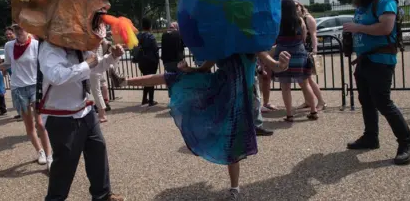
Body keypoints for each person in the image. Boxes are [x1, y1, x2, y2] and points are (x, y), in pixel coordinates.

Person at [9, 0, 128, 201]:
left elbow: (92, 71)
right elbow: (58, 76)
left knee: (98, 153)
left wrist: (110, 58)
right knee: (64, 168)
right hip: (62, 119)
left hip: (85, 111)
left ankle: (103, 195)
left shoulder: (78, 46)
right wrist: (90, 63)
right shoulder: (49, 48)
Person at [110, 51, 290, 200]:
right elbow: (204, 69)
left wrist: (283, 64)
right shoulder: (220, 44)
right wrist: (188, 69)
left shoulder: (251, 46)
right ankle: (124, 81)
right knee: (172, 77)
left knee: (232, 145)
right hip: (218, 90)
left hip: (239, 103)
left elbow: (274, 65)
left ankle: (234, 187)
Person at [343, 0, 410, 165]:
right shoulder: (362, 6)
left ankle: (407, 143)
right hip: (365, 60)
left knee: (383, 102)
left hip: (380, 61)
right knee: (366, 100)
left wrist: (357, 28)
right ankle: (371, 137)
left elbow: (386, 27)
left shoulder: (385, 1)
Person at [0, 24, 52, 170]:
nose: (18, 32)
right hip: (18, 88)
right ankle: (40, 151)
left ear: (28, 29)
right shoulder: (9, 46)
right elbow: (8, 64)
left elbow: (44, 64)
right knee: (29, 125)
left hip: (35, 86)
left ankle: (49, 157)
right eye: (16, 29)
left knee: (40, 123)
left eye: (21, 28)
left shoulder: (36, 44)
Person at [273, 0, 318, 122]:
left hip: (282, 54)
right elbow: (303, 38)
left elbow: (274, 38)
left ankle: (289, 115)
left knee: (285, 87)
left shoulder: (277, 21)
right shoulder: (300, 21)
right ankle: (313, 111)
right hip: (299, 54)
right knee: (305, 84)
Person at [294, 2, 327, 111]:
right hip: (300, 50)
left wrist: (315, 50)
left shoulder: (308, 18)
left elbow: (313, 35)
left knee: (308, 79)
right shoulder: (296, 19)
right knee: (302, 80)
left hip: (307, 51)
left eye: (296, 6)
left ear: (301, 6)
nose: (295, 8)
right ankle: (308, 101)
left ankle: (321, 101)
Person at [135, 17, 160, 107]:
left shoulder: (138, 36)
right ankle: (151, 100)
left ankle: (144, 99)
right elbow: (155, 49)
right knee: (151, 80)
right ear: (150, 26)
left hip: (141, 61)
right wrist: (157, 59)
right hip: (151, 61)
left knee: (146, 79)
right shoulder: (151, 36)